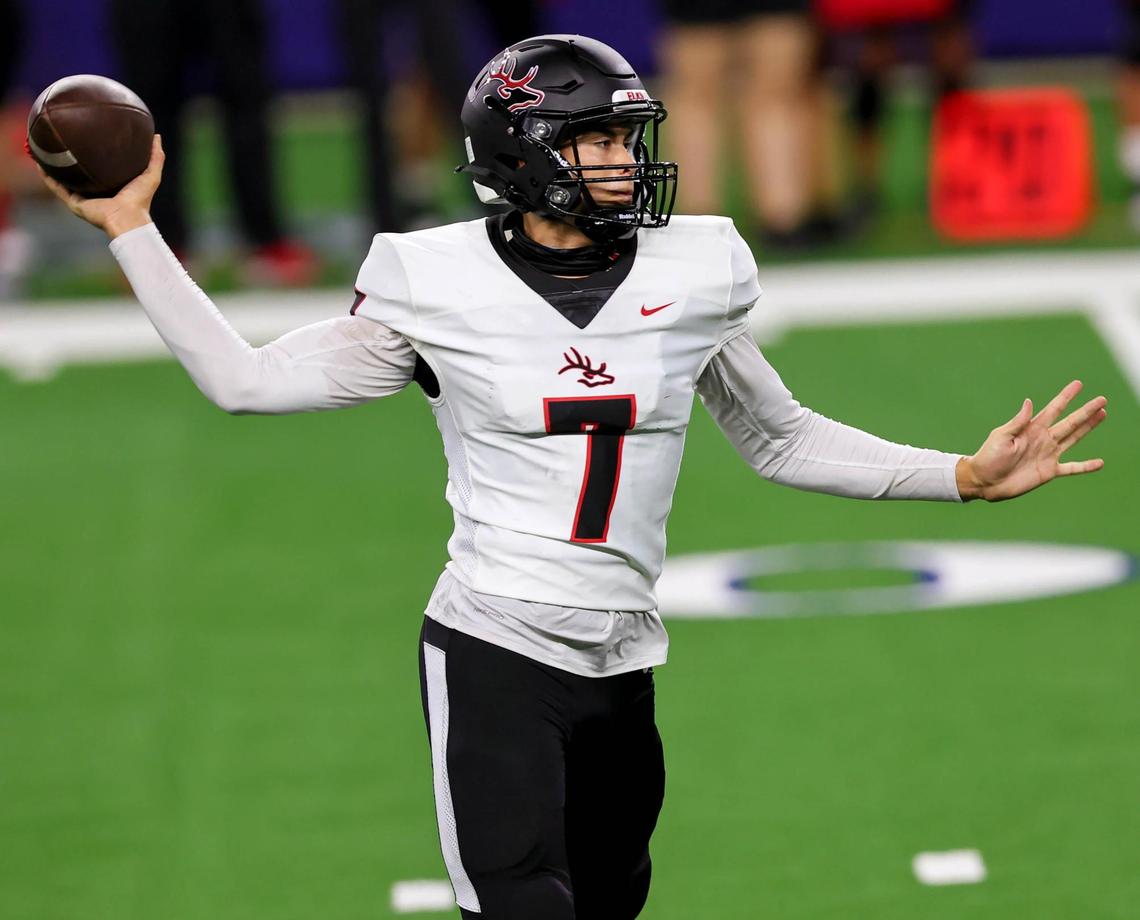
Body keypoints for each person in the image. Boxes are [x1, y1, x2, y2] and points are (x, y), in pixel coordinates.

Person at [38, 34, 1107, 920]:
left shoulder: (692, 272)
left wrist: (958, 473)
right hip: (496, 647)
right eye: (595, 136)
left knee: (611, 902)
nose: (623, 159)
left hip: (624, 659)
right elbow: (246, 382)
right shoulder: (431, 283)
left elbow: (779, 437)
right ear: (525, 151)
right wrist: (131, 228)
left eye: (626, 136)